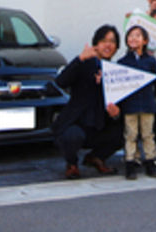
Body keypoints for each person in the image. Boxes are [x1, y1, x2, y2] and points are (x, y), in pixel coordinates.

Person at [52, 25, 124, 179]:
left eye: (112, 41)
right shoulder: (84, 63)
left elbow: (120, 102)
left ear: (117, 47)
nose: (108, 45)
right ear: (95, 44)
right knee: (73, 136)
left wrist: (117, 114)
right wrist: (80, 59)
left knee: (126, 131)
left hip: (100, 125)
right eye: (103, 40)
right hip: (78, 123)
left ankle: (96, 158)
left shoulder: (115, 71)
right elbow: (61, 81)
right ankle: (71, 164)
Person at [117, 25, 156, 179]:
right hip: (129, 105)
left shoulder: (150, 61)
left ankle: (150, 163)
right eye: (130, 35)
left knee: (148, 134)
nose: (133, 38)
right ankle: (130, 164)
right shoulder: (122, 62)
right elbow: (117, 82)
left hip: (147, 103)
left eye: (138, 36)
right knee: (130, 135)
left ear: (145, 41)